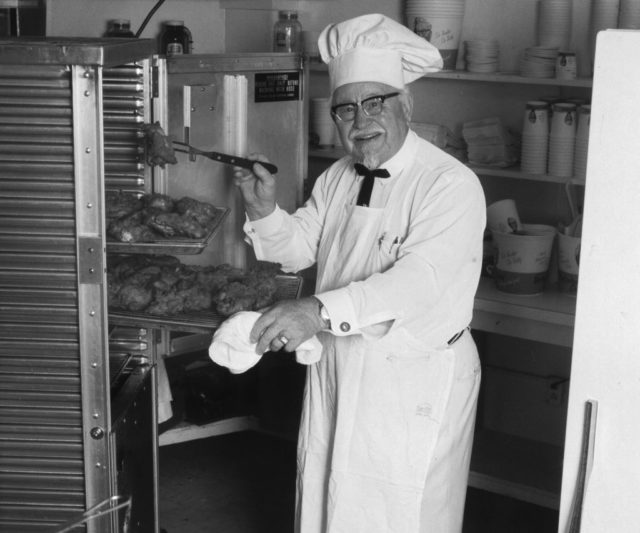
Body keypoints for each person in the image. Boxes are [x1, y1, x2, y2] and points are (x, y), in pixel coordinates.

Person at [233, 13, 486, 533]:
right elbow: (300, 247)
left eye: (376, 103)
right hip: (339, 365)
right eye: (346, 108)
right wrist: (264, 210)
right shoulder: (339, 176)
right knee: (329, 498)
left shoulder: (448, 183)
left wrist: (314, 310)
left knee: (400, 511)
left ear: (406, 106)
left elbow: (419, 282)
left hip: (410, 377)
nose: (360, 119)